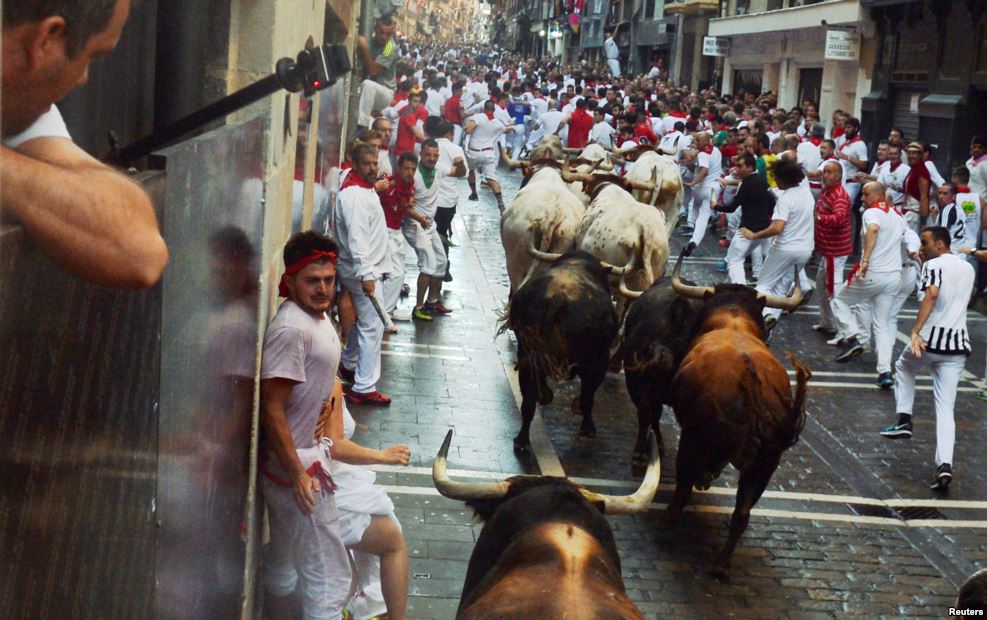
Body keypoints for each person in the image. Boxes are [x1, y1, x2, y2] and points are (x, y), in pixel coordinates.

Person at [1, 0, 168, 289]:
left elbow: (139, 251)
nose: (82, 78)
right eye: (92, 55)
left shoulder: (17, 104)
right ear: (47, 39)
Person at [259, 231, 352, 619]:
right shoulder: (292, 330)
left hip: (300, 461)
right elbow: (272, 408)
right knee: (328, 577)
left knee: (284, 560)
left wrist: (322, 407)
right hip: (299, 470)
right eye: (312, 281)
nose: (323, 289)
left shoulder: (315, 317)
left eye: (329, 280)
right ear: (291, 279)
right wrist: (298, 473)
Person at [880, 227, 974, 492]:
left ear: (940, 244)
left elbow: (931, 294)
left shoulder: (935, 265)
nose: (922, 247)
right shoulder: (967, 268)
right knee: (945, 408)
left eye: (925, 242)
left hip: (930, 339)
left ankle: (904, 418)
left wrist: (915, 331)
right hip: (957, 345)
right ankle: (945, 464)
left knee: (903, 367)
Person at [318, 379, 410, 620]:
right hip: (319, 483)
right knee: (392, 541)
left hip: (324, 478)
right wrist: (383, 456)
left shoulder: (324, 376)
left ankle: (368, 609)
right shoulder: (326, 378)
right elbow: (334, 446)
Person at [829, 182, 906, 388]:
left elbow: (873, 229)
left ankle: (853, 337)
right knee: (882, 325)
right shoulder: (898, 216)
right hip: (893, 277)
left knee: (839, 300)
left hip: (873, 273)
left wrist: (865, 260)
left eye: (865, 194)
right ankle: (885, 372)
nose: (862, 198)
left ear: (879, 195)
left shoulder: (871, 213)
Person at [334, 143, 392, 406]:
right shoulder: (355, 196)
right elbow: (357, 238)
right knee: (373, 326)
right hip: (363, 272)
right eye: (366, 164)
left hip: (364, 269)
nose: (372, 168)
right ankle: (364, 386)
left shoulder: (363, 189)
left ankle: (349, 364)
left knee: (364, 322)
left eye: (374, 163)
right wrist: (367, 275)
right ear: (355, 165)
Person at [742, 157, 815, 329]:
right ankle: (769, 323)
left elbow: (777, 228)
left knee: (763, 286)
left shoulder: (786, 198)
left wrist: (754, 235)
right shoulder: (806, 193)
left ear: (783, 179)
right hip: (805, 249)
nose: (774, 180)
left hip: (784, 248)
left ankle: (762, 317)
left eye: (776, 177)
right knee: (781, 289)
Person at [404, 139, 466, 320]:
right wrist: (418, 217)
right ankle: (418, 307)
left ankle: (432, 301)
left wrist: (460, 164)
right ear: (421, 154)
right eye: (428, 155)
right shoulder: (413, 173)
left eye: (435, 155)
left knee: (441, 262)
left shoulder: (439, 168)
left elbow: (459, 173)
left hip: (430, 225)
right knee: (429, 265)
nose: (431, 158)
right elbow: (404, 204)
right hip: (415, 225)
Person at [712, 152, 774, 284]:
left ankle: (739, 288)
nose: (737, 169)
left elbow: (732, 207)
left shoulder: (748, 184)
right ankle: (729, 285)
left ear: (750, 168)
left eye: (740, 166)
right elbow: (771, 205)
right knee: (747, 255)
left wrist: (715, 206)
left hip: (746, 229)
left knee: (734, 261)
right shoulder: (762, 182)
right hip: (762, 229)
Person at [812, 161, 853, 336]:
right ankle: (828, 322)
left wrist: (819, 218)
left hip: (836, 252)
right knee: (821, 285)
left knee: (833, 289)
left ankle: (846, 330)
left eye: (829, 172)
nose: (825, 175)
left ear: (839, 176)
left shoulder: (840, 196)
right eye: (825, 172)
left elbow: (839, 219)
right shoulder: (826, 191)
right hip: (828, 250)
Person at [378, 152, 417, 323]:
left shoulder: (409, 184)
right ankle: (383, 314)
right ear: (398, 168)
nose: (410, 172)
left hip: (396, 232)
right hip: (384, 232)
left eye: (413, 169)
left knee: (397, 274)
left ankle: (387, 310)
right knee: (395, 275)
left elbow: (404, 204)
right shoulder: (387, 186)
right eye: (406, 168)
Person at [434, 122, 468, 282]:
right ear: (450, 133)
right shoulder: (455, 149)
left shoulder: (429, 147)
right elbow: (464, 174)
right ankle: (443, 266)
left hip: (430, 197)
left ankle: (439, 264)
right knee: (442, 232)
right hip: (447, 200)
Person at [464, 100, 512, 209]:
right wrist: (511, 127)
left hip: (474, 152)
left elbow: (469, 129)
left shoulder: (478, 117)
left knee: (470, 171)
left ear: (484, 108)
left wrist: (466, 128)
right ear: (494, 110)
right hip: (488, 153)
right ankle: (500, 202)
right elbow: (507, 130)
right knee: (492, 178)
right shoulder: (497, 123)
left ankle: (474, 193)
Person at [356, 15, 399, 130]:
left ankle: (361, 126)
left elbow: (373, 70)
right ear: (376, 29)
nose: (384, 37)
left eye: (388, 34)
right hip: (369, 92)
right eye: (382, 32)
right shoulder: (371, 40)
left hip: (385, 92)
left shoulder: (390, 47)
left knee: (368, 85)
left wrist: (364, 48)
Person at [683, 132, 722, 248]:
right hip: (715, 189)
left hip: (702, 188)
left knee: (695, 206)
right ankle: (695, 240)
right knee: (704, 216)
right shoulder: (716, 151)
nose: (695, 142)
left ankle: (691, 226)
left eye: (698, 140)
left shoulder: (702, 154)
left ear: (706, 141)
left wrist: (693, 182)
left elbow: (705, 170)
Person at [835, 117, 868, 206]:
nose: (846, 130)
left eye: (849, 127)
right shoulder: (846, 143)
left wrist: (847, 158)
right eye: (845, 127)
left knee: (845, 206)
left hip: (851, 183)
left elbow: (864, 164)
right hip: (841, 182)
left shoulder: (860, 144)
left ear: (856, 129)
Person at [966, 135, 987, 204]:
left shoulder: (985, 164)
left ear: (985, 149)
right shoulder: (968, 163)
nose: (976, 149)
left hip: (982, 203)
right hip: (967, 201)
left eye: (979, 147)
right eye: (974, 146)